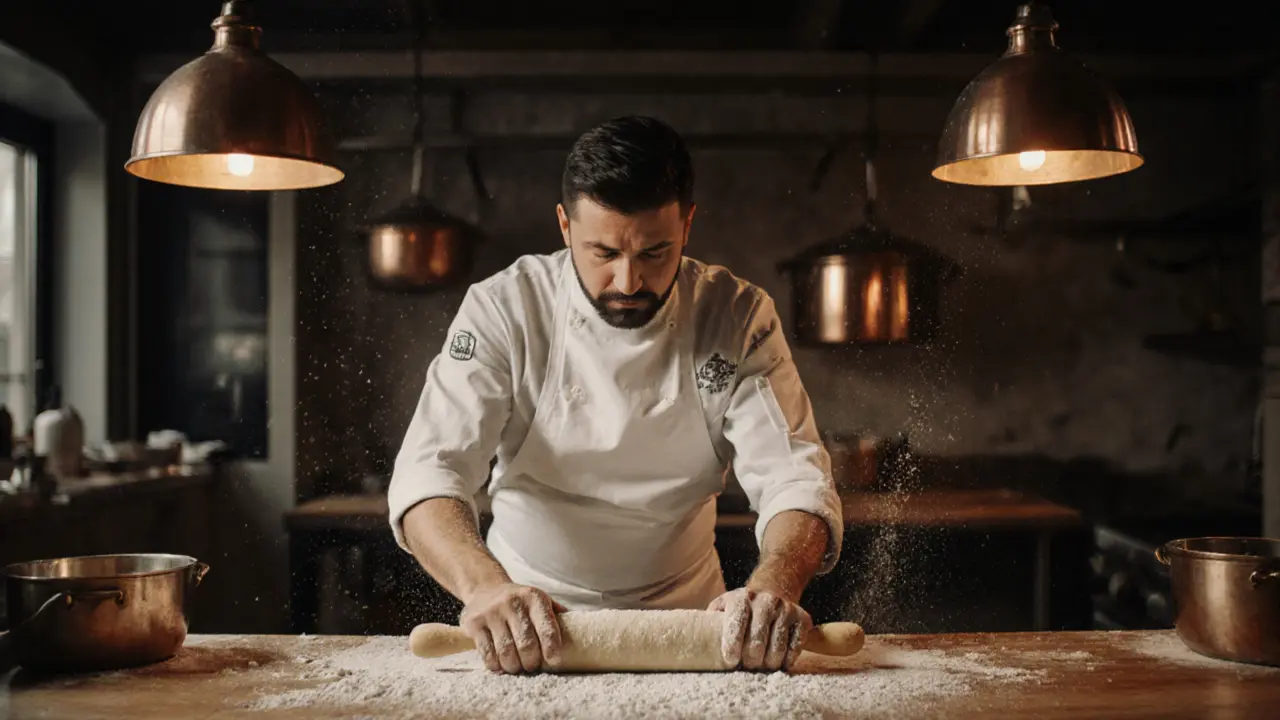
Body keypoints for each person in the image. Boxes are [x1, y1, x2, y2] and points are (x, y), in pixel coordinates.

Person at [388, 115, 842, 675]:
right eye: (603, 253)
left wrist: (775, 587)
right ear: (563, 226)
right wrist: (484, 587)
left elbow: (795, 480)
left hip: (693, 633)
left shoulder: (737, 317)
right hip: (522, 625)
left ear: (688, 224)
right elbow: (429, 475)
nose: (628, 283)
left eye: (654, 253)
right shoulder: (505, 311)